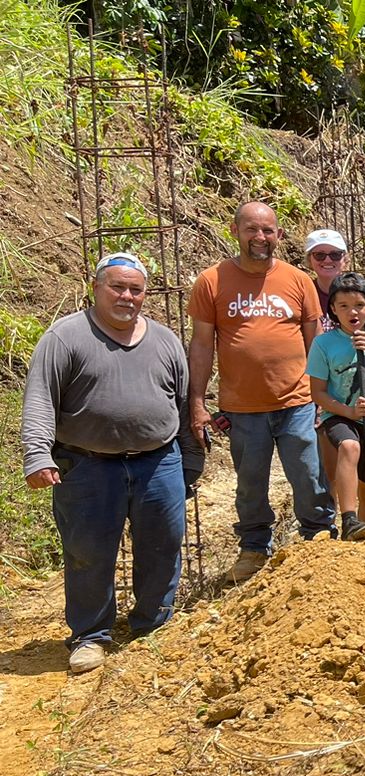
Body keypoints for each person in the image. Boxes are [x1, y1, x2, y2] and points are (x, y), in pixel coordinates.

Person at [21, 253, 204, 674]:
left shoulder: (164, 340)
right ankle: (90, 635)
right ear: (96, 287)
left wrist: (190, 458)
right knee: (88, 552)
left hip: (158, 462)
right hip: (87, 466)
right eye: (117, 287)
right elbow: (40, 400)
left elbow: (182, 404)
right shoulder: (65, 338)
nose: (127, 296)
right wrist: (36, 454)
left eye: (135, 289)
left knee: (163, 544)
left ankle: (153, 625)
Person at [188, 201, 335, 583]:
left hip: (297, 400)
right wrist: (197, 402)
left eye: (268, 230)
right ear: (234, 231)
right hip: (242, 406)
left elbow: (314, 343)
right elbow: (202, 345)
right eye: (252, 229)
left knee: (307, 472)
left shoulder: (298, 281)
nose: (260, 237)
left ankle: (317, 534)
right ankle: (254, 547)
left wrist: (322, 395)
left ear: (279, 236)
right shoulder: (212, 281)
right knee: (250, 480)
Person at [307, 273, 365, 541]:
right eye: (344, 306)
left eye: (359, 305)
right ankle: (348, 520)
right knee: (350, 447)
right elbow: (317, 393)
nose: (353, 312)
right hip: (339, 415)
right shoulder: (324, 343)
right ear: (333, 310)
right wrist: (348, 411)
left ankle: (364, 534)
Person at [303, 228, 350, 332]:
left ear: (345, 259)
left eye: (335, 255)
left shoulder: (358, 292)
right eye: (319, 255)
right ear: (309, 260)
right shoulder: (304, 293)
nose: (328, 260)